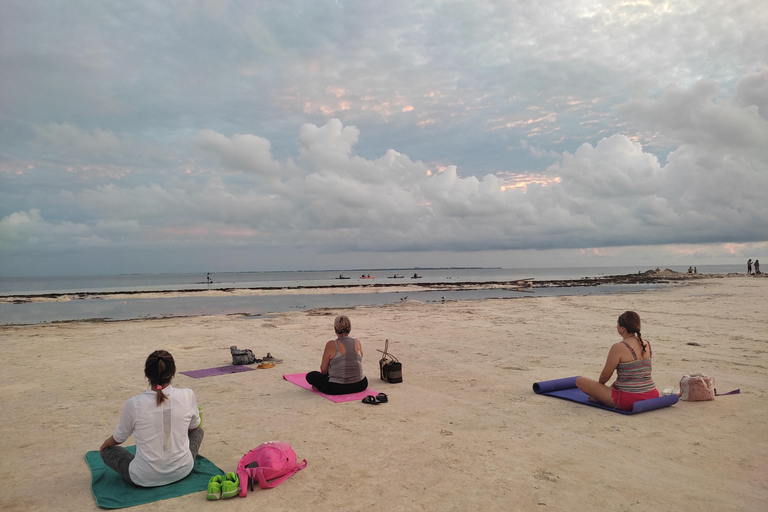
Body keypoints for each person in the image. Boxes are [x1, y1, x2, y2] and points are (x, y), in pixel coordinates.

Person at [99, 350, 203, 487]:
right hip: (183, 469)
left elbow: (119, 438)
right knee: (199, 431)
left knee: (108, 450)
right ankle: (176, 459)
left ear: (146, 373)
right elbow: (194, 428)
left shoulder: (134, 404)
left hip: (143, 477)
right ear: (174, 371)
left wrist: (105, 445)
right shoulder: (187, 395)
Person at [575, 311, 659, 411]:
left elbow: (604, 377)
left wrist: (599, 393)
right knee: (620, 382)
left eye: (617, 324)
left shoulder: (619, 347)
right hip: (652, 394)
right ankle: (601, 397)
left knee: (579, 380)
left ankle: (599, 398)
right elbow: (636, 374)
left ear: (622, 329)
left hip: (629, 399)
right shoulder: (646, 344)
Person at [305, 315, 368, 395]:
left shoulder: (331, 344)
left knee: (311, 376)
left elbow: (323, 370)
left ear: (335, 329)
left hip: (336, 387)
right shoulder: (357, 343)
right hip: (360, 384)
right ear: (350, 329)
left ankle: (318, 387)